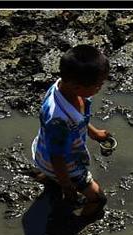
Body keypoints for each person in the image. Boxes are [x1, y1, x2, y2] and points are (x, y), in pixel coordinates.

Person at [31, 44, 111, 221]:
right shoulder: (58, 120)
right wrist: (67, 186)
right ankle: (74, 225)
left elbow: (79, 121)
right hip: (64, 165)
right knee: (98, 199)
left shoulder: (61, 86)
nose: (100, 88)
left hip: (42, 151)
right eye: (98, 85)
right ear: (76, 86)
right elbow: (57, 157)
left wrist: (94, 133)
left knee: (53, 177)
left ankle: (50, 179)